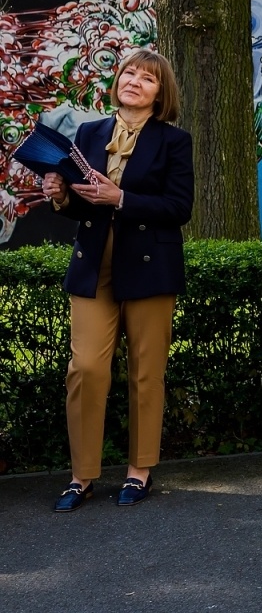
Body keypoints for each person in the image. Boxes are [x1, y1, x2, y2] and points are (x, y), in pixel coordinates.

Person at [44, 48, 193, 512]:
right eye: (129, 72)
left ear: (160, 93)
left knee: (146, 373)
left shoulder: (174, 141)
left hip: (150, 265)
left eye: (147, 78)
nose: (135, 81)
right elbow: (84, 204)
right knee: (85, 369)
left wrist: (122, 197)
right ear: (118, 81)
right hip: (94, 266)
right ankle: (81, 476)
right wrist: (62, 197)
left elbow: (179, 208)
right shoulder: (89, 133)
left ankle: (139, 471)